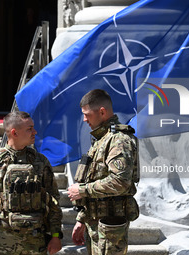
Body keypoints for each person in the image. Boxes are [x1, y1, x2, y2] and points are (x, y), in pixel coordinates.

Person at [0, 111, 63, 255]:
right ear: (14, 133)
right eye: (29, 128)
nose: (35, 131)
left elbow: (53, 201)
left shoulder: (40, 161)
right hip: (3, 243)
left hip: (36, 241)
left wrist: (56, 236)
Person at [68, 89, 139, 255]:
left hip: (110, 226)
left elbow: (120, 182)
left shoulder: (118, 140)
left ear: (102, 112)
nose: (84, 119)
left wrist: (81, 190)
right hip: (95, 223)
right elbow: (95, 177)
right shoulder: (102, 139)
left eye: (87, 114)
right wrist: (82, 219)